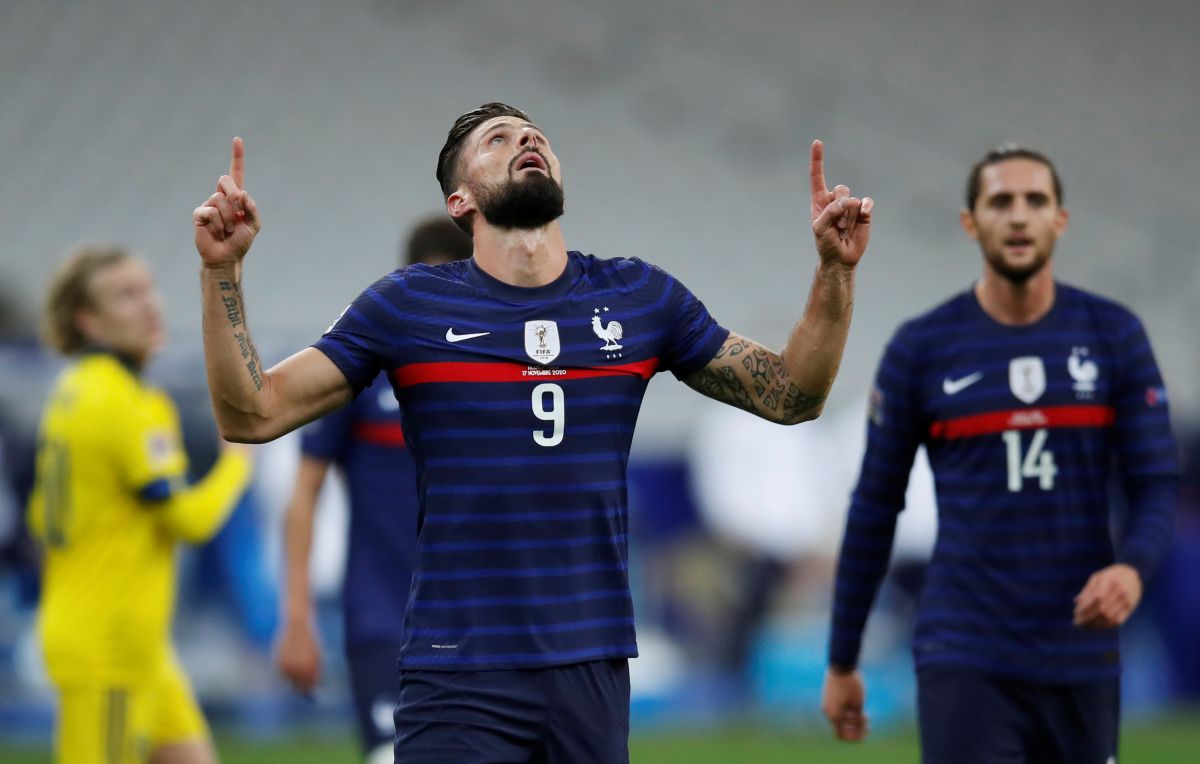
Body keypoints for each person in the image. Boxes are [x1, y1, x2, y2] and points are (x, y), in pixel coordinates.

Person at [192, 102, 872, 762]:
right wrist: (222, 272)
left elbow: (791, 395)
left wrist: (835, 274)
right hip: (458, 668)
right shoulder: (407, 306)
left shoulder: (639, 296)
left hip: (591, 668)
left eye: (533, 134)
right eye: (496, 140)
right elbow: (252, 412)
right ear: (461, 202)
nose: (524, 140)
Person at [821, 145, 1179, 763]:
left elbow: (1156, 481)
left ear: (1059, 220)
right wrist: (842, 657)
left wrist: (1132, 569)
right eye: (1000, 202)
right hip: (965, 650)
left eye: (1035, 201)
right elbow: (876, 504)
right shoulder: (922, 348)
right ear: (970, 222)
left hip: (1081, 653)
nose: (1018, 216)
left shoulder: (1113, 334)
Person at [27, 246, 252, 764]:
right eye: (126, 296)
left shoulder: (72, 391)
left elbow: (42, 518)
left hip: (134, 643)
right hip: (111, 647)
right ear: (89, 321)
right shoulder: (128, 405)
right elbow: (189, 522)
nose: (150, 305)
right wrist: (237, 462)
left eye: (147, 287)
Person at [274, 217, 472, 764]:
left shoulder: (495, 371)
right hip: (387, 618)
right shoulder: (363, 366)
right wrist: (296, 618)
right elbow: (304, 494)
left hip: (481, 617)